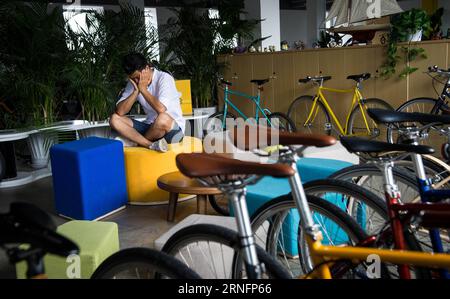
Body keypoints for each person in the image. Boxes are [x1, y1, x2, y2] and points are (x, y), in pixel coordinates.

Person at [110, 53, 185, 152]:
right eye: (133, 79)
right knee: (114, 119)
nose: (137, 81)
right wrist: (136, 92)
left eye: (138, 77)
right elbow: (120, 112)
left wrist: (143, 90)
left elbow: (161, 109)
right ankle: (149, 144)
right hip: (150, 129)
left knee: (162, 118)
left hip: (172, 129)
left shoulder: (164, 78)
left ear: (147, 68)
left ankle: (137, 142)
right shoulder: (134, 83)